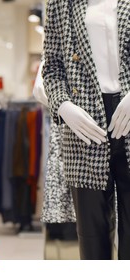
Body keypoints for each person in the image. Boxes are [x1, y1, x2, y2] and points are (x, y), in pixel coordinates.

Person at [43, 0, 130, 259]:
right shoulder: (62, 4)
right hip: (84, 124)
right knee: (93, 239)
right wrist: (63, 106)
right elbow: (53, 68)